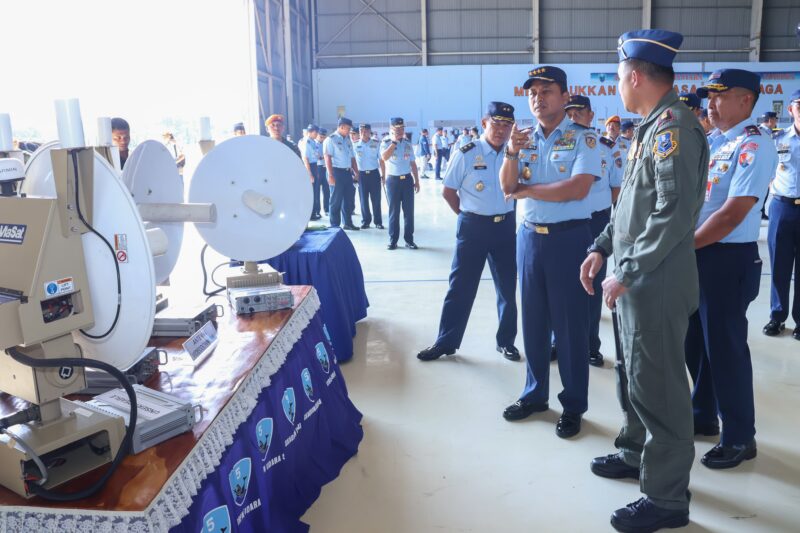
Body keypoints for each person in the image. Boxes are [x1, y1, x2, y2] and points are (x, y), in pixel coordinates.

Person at [580, 29, 707, 532]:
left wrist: (627, 270)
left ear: (635, 76)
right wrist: (601, 247)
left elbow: (673, 213)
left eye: (618, 78)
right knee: (633, 375)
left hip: (655, 281)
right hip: (635, 277)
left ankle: (667, 499)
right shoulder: (649, 128)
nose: (617, 87)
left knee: (661, 389)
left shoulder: (675, 129)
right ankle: (635, 453)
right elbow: (631, 203)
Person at [499, 66, 602, 440]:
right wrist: (511, 152)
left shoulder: (583, 138)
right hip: (529, 239)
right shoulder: (524, 140)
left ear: (564, 96)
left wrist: (527, 191)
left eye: (546, 91)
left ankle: (573, 405)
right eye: (532, 93)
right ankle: (535, 394)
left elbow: (577, 188)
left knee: (571, 328)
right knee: (533, 321)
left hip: (569, 240)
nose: (538, 98)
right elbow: (507, 186)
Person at [684, 69, 777, 471]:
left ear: (746, 101)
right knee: (695, 344)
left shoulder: (755, 144)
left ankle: (739, 437)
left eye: (720, 96)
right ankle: (703, 414)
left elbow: (732, 213)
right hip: (697, 256)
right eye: (709, 97)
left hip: (726, 259)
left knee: (726, 350)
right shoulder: (713, 142)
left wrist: (680, 246)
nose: (711, 104)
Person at [417, 102, 520, 362]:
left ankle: (506, 342)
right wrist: (468, 216)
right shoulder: (466, 153)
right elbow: (448, 191)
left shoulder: (515, 154)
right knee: (461, 287)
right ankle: (446, 342)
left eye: (507, 125)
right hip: (473, 228)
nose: (501, 130)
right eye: (496, 123)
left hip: (505, 227)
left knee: (507, 288)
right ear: (484, 123)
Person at [564, 95, 622, 368]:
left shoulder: (605, 147)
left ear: (590, 115)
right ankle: (558, 341)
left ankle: (590, 344)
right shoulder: (559, 146)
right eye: (570, 114)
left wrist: (598, 209)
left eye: (579, 113)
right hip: (565, 220)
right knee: (563, 282)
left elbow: (616, 187)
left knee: (592, 282)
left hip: (596, 222)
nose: (574, 118)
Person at [764, 89, 800, 341]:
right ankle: (777, 317)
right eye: (799, 105)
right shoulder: (777, 139)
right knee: (779, 264)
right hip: (782, 207)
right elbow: (767, 170)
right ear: (790, 109)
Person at [381, 117, 420, 249]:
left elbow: (413, 163)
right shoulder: (386, 142)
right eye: (397, 129)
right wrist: (394, 143)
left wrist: (417, 180)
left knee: (409, 212)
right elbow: (384, 157)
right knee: (394, 212)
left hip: (407, 180)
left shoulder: (407, 143)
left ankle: (409, 240)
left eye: (402, 128)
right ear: (391, 129)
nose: (400, 131)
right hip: (393, 181)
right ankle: (393, 241)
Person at [323, 118, 360, 230]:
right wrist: (330, 175)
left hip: (347, 173)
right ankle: (335, 225)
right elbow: (327, 157)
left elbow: (352, 158)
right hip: (336, 172)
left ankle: (348, 223)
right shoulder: (331, 139)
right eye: (348, 128)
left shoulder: (347, 140)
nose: (349, 131)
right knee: (336, 200)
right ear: (341, 126)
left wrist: (356, 172)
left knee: (348, 199)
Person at [354, 123, 384, 229]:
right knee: (363, 199)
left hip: (374, 174)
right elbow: (352, 161)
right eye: (361, 131)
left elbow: (381, 160)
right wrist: (355, 174)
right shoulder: (355, 145)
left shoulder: (376, 144)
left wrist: (383, 174)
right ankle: (366, 221)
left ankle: (378, 222)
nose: (363, 133)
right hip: (362, 175)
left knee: (376, 199)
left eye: (365, 131)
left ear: (369, 131)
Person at [302, 124, 323, 220]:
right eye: (315, 132)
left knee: (315, 191)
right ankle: (310, 214)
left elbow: (316, 154)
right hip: (309, 167)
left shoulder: (313, 142)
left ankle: (314, 212)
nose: (317, 134)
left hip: (315, 166)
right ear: (310, 132)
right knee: (311, 192)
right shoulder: (306, 142)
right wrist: (309, 173)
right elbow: (305, 158)